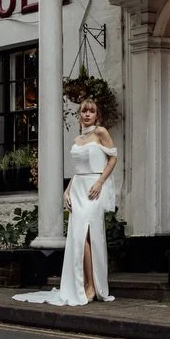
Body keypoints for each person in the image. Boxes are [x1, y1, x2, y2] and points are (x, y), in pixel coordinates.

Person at [13, 98, 118, 305]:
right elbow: (77, 172)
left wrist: (100, 182)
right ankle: (85, 284)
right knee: (78, 235)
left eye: (91, 111)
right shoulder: (78, 140)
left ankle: (92, 285)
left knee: (89, 233)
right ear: (80, 114)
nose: (87, 114)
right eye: (84, 111)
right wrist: (66, 191)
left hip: (94, 188)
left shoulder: (101, 133)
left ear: (97, 115)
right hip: (77, 188)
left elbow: (113, 159)